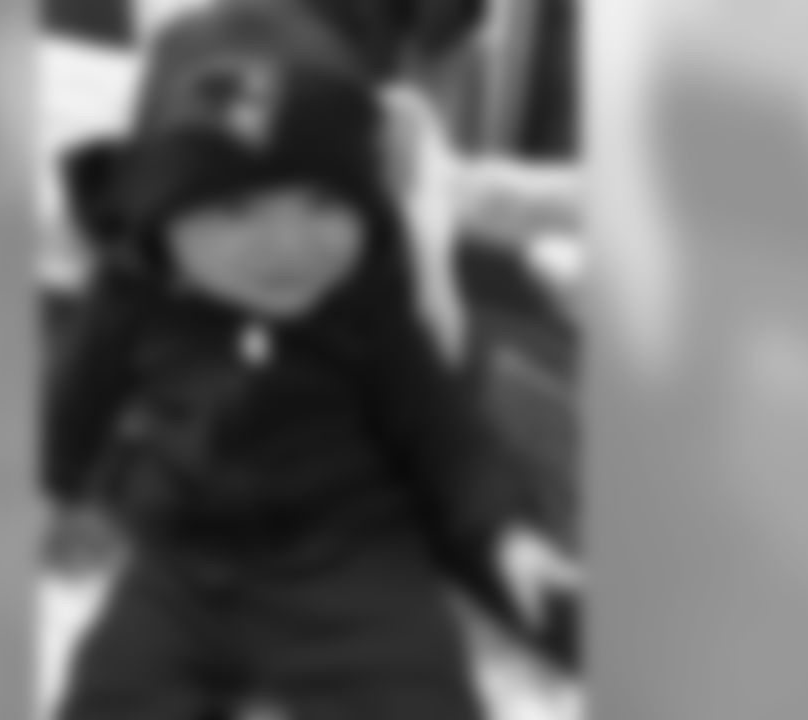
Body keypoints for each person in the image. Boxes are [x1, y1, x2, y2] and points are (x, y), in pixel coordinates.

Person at [46, 50, 576, 720]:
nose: (288, 246)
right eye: (234, 206)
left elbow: (444, 429)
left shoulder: (370, 294)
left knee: (426, 679)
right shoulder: (136, 296)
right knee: (116, 687)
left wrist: (505, 534)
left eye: (325, 202)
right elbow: (69, 414)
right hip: (190, 552)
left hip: (358, 536)